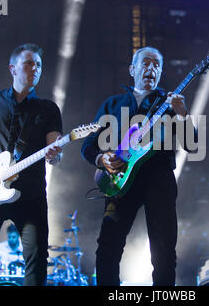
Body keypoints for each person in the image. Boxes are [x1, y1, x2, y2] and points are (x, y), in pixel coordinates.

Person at [81, 46, 197, 285]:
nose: (151, 68)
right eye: (145, 63)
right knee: (107, 250)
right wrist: (102, 159)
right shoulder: (113, 105)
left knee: (164, 252)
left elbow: (192, 145)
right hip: (119, 181)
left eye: (156, 64)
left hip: (159, 179)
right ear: (132, 69)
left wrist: (183, 114)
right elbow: (89, 145)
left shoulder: (170, 104)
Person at [0, 43, 63, 286]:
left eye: (38, 65)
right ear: (12, 68)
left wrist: (55, 156)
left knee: (36, 262)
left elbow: (55, 153)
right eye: (29, 63)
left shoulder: (48, 109)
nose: (35, 68)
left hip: (31, 195)